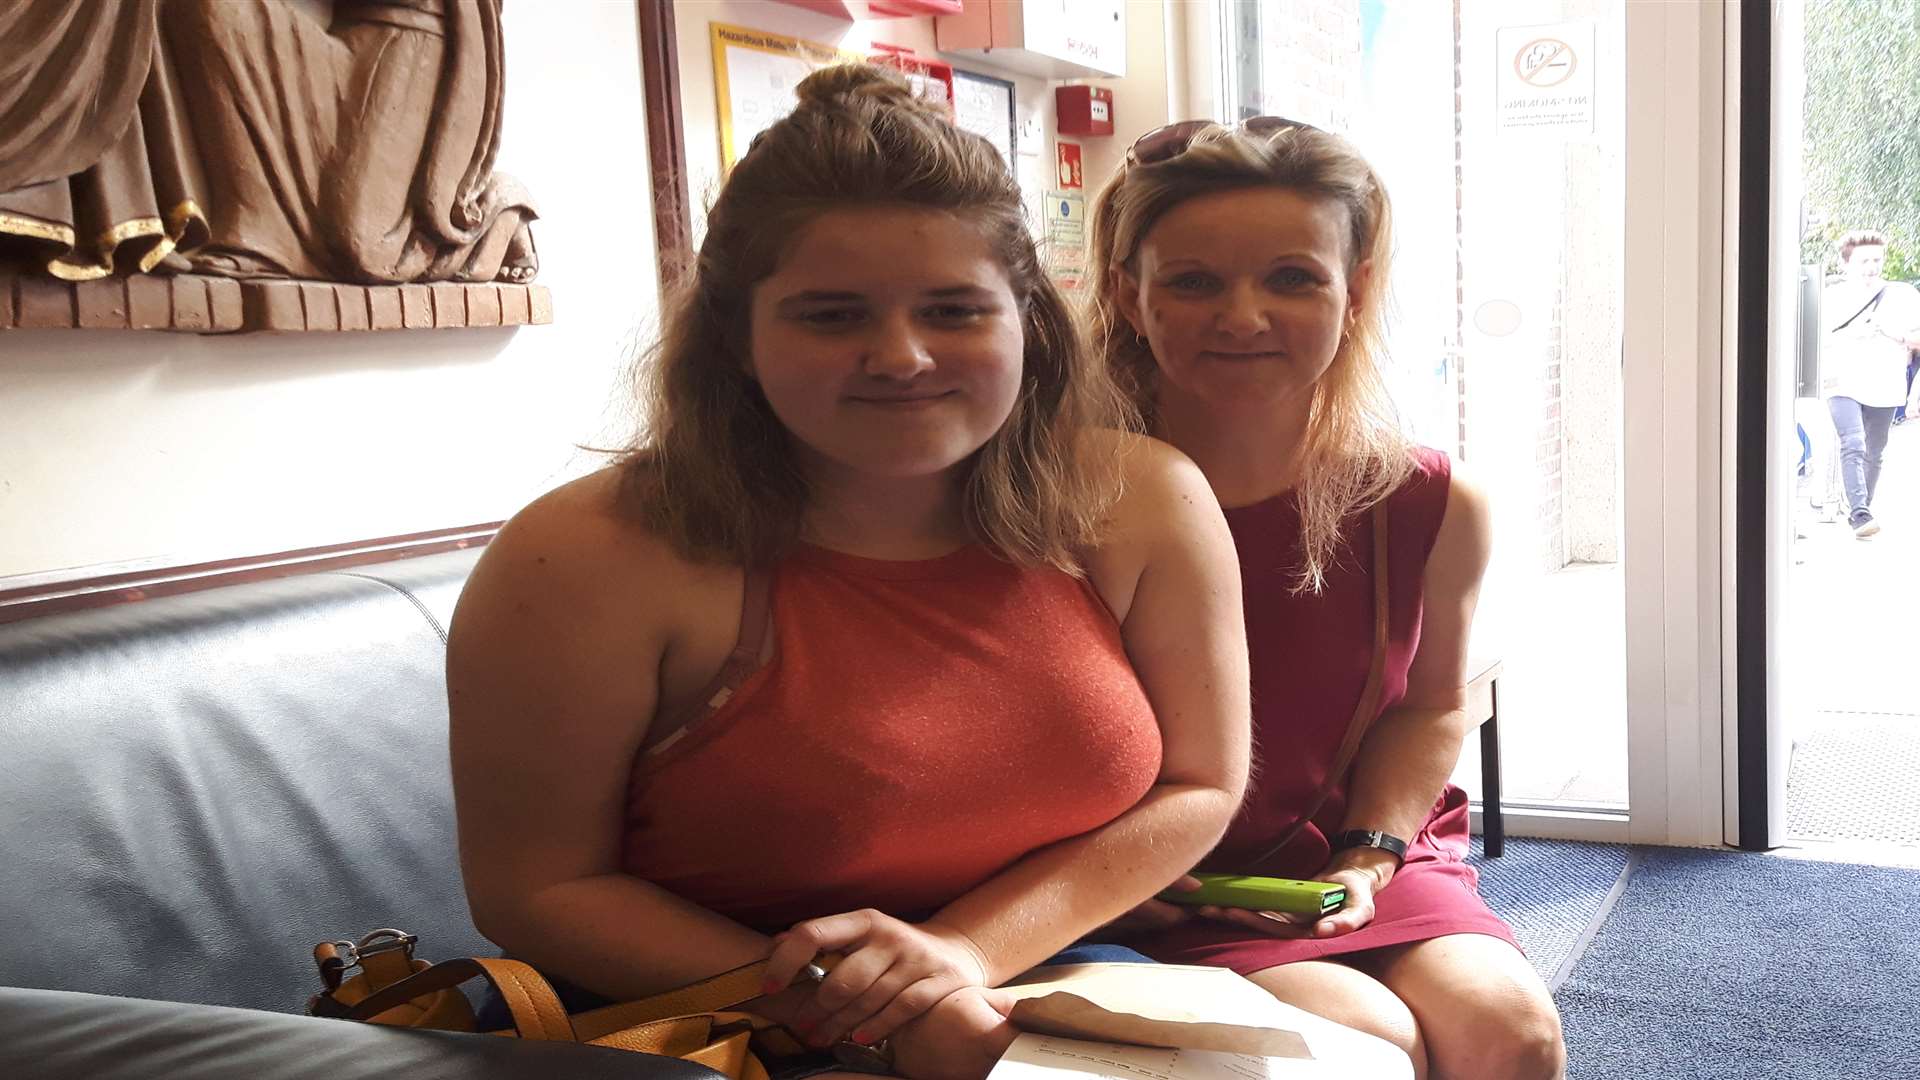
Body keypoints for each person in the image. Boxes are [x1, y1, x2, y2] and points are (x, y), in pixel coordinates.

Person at [446, 65, 1250, 1080]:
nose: (902, 357)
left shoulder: (1146, 499)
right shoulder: (584, 557)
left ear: (1027, 320)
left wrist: (958, 960)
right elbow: (541, 890)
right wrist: (872, 1010)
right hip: (702, 1012)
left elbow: (1199, 784)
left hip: (1034, 968)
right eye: (832, 316)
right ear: (737, 338)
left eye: (955, 309)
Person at [1085, 118, 1565, 1080]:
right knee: (1363, 1038)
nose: (1243, 315)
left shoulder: (1427, 500)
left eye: (1293, 277)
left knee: (1510, 1035)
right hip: (1148, 880)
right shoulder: (1066, 498)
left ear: (1357, 293)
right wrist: (1122, 881)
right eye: (1193, 281)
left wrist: (1369, 856)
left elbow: (1432, 704)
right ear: (1128, 297)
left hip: (1353, 847)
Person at [1820, 231, 1920, 537]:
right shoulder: (1830, 296)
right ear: (1846, 262)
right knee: (1853, 441)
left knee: (1875, 450)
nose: (1871, 267)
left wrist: (1893, 333)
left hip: (1885, 382)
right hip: (1841, 380)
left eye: (1877, 259)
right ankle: (1859, 513)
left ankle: (1864, 506)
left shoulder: (1902, 295)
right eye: (1864, 260)